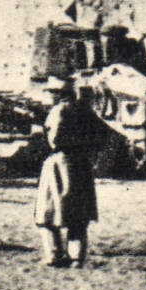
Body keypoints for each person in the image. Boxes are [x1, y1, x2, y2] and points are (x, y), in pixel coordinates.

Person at [35, 78, 102, 267]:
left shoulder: (58, 111)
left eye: (51, 92)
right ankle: (76, 258)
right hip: (82, 164)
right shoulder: (86, 110)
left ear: (58, 93)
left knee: (47, 213)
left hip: (59, 162)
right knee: (79, 216)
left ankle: (54, 255)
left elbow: (54, 138)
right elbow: (100, 135)